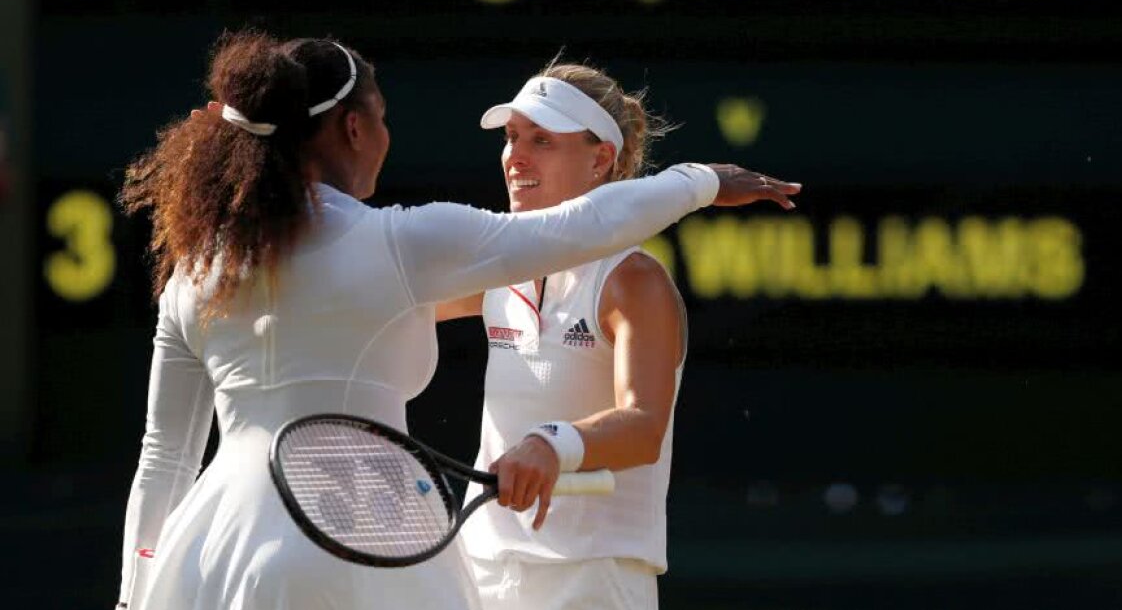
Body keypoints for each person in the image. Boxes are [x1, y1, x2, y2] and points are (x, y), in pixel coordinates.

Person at [114, 31, 800, 610]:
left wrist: (133, 594)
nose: (515, 154)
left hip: (210, 554)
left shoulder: (196, 273)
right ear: (353, 129)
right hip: (382, 552)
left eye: (541, 139)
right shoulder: (404, 247)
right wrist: (702, 181)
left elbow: (164, 459)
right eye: (380, 116)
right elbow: (583, 226)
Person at [440, 63, 759, 610]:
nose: (515, 157)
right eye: (513, 137)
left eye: (542, 141)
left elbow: (642, 427)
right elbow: (381, 309)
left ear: (600, 159)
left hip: (593, 579)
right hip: (481, 571)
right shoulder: (493, 266)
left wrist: (550, 444)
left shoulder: (634, 280)